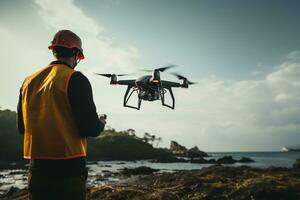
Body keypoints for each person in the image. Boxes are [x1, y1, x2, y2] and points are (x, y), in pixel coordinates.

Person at [17, 30, 106, 200]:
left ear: (54, 50)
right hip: (69, 169)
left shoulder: (28, 81)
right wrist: (100, 123)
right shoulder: (76, 78)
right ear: (75, 53)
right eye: (78, 57)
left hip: (37, 169)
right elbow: (90, 128)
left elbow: (22, 127)